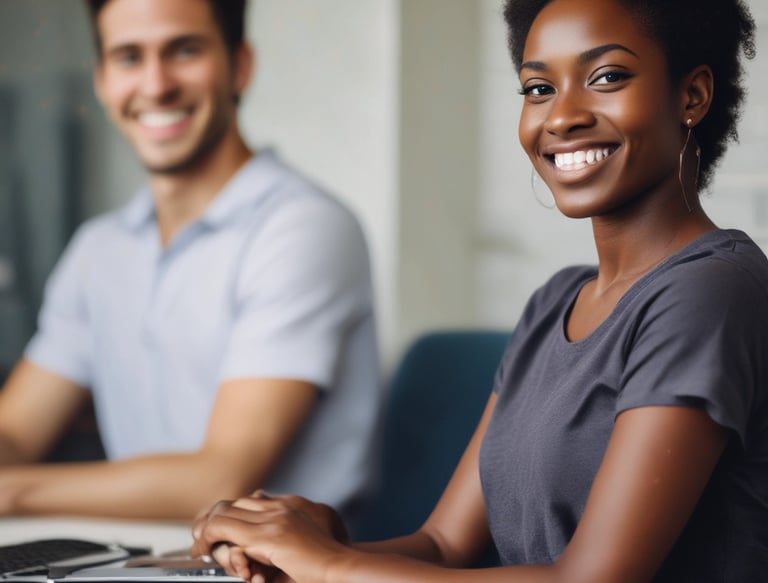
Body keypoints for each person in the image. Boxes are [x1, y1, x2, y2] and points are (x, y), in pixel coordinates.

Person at [190, 0, 768, 581]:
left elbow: (593, 579)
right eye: (538, 88)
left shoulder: (709, 292)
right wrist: (300, 544)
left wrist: (327, 564)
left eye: (607, 77)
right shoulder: (554, 303)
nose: (561, 115)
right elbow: (443, 546)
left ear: (691, 96)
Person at [0, 0, 382, 525]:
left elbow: (221, 480)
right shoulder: (99, 248)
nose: (156, 85)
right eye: (129, 57)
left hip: (273, 572)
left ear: (240, 65)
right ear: (102, 80)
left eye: (184, 50)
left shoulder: (302, 228)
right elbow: (17, 432)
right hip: (133, 557)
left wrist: (12, 493)